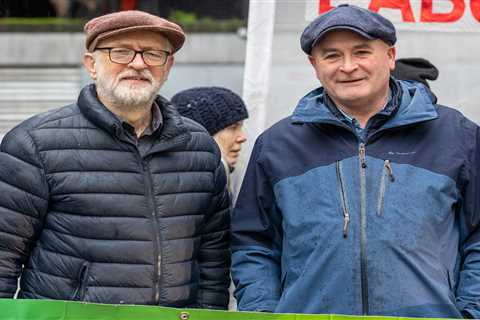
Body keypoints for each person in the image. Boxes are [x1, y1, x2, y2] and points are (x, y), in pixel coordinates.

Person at [231, 4, 480, 318]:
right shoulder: (277, 145)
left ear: (389, 56)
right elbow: (254, 244)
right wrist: (263, 312)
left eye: (361, 52)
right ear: (314, 64)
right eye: (332, 55)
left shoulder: (456, 136)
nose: (347, 67)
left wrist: (471, 311)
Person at [0, 10, 230, 309]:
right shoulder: (35, 143)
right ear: (91, 65)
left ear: (168, 65)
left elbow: (214, 256)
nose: (138, 63)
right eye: (120, 52)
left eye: (153, 53)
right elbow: (4, 255)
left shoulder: (198, 147)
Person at [171, 86, 249, 191]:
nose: (242, 137)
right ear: (201, 135)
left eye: (241, 127)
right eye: (233, 128)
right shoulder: (193, 190)